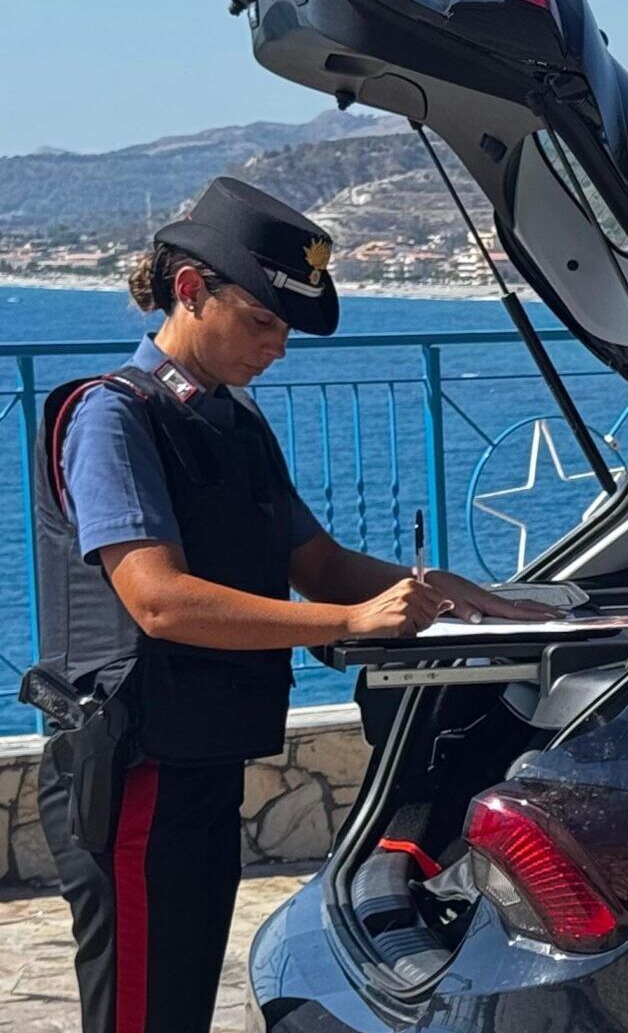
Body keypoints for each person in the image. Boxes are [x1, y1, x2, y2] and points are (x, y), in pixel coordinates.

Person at [27, 176, 552, 1033]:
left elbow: (316, 561)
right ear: (191, 290)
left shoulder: (233, 425)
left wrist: (444, 596)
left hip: (196, 754)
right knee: (141, 1013)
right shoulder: (113, 419)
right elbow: (156, 601)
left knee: (178, 1005)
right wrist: (350, 623)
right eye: (263, 321)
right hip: (134, 774)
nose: (277, 349)